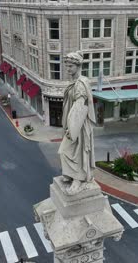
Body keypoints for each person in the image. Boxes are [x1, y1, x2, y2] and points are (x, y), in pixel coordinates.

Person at [58, 51, 96, 195]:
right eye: (66, 66)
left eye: (70, 66)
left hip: (79, 126)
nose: (68, 69)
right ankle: (71, 174)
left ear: (78, 65)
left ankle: (78, 179)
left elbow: (80, 107)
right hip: (73, 124)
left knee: (70, 151)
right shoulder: (74, 82)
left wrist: (72, 128)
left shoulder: (81, 84)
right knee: (69, 152)